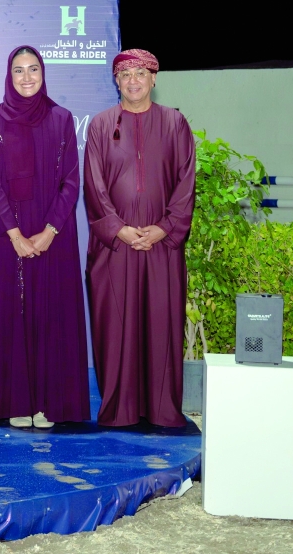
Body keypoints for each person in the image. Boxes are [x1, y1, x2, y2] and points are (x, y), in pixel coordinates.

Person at [0, 46, 90, 429]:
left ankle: (47, 404)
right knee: (13, 311)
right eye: (18, 70)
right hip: (8, 233)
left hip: (53, 232)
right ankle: (15, 401)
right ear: (9, 75)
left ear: (43, 73)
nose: (26, 78)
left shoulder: (61, 118)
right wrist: (15, 235)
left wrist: (50, 231)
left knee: (50, 313)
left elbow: (71, 180)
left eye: (33, 69)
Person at [84, 49, 196, 428]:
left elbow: (185, 182)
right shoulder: (100, 125)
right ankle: (119, 409)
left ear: (154, 79)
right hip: (114, 246)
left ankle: (163, 409)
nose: (133, 80)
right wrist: (119, 229)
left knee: (160, 324)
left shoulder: (175, 123)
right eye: (125, 73)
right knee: (115, 328)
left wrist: (165, 227)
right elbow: (93, 186)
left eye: (141, 73)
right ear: (116, 80)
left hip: (162, 245)